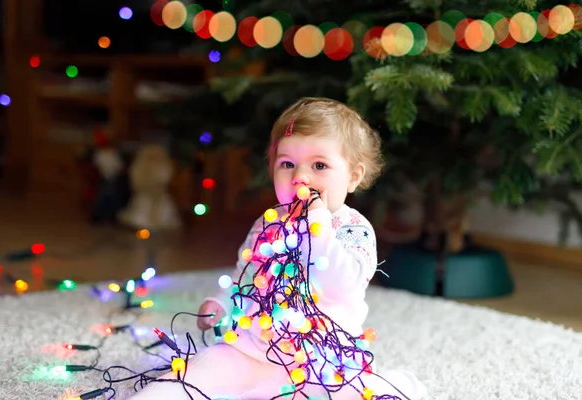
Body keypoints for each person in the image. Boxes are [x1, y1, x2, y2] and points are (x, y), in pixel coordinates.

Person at [129, 98, 428, 400]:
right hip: (254, 350)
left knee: (352, 394)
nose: (300, 177)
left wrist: (318, 224)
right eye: (287, 164)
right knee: (192, 376)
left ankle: (400, 385)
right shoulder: (269, 222)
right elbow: (244, 278)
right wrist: (221, 303)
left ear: (353, 176)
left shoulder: (352, 228)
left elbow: (343, 287)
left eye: (319, 165)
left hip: (322, 360)